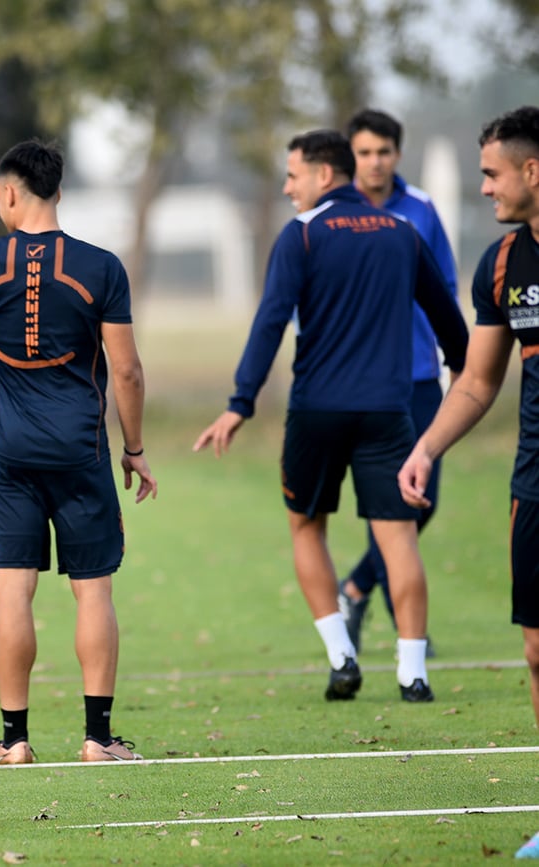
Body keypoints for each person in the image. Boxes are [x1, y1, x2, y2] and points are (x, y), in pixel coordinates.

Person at [193, 129, 467, 704]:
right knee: (399, 539)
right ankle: (412, 672)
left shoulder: (302, 235)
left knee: (306, 526)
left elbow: (270, 321)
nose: (287, 186)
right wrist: (468, 376)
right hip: (389, 412)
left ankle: (343, 657)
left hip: (316, 411)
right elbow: (449, 321)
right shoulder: (402, 233)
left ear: (323, 175)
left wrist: (240, 404)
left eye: (293, 175)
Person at [0, 140, 157, 766]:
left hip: (7, 454)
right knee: (93, 594)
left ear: (7, 192)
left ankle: (14, 741)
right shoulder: (100, 268)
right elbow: (128, 373)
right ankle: (97, 738)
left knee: (14, 595)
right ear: (57, 191)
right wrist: (135, 448)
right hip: (81, 451)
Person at [389, 106, 539, 856]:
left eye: (491, 173)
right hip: (536, 482)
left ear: (532, 170)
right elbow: (478, 383)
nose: (483, 188)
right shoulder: (504, 265)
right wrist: (425, 448)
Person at [337, 108, 460, 655]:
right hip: (364, 378)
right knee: (386, 498)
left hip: (419, 374)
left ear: (397, 155)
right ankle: (409, 627)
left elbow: (447, 288)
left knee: (422, 497)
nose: (374, 162)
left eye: (383, 152)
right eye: (364, 152)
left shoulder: (422, 211)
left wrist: (459, 359)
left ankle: (358, 585)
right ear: (351, 157)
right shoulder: (335, 213)